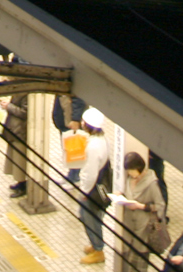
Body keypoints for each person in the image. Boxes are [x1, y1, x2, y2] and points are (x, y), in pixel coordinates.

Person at [111, 152, 165, 272]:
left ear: (138, 168)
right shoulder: (130, 179)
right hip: (129, 226)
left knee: (138, 265)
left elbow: (160, 206)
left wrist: (141, 206)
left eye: (131, 170)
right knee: (126, 262)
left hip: (143, 229)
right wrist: (121, 195)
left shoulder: (152, 184)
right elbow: (130, 193)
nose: (129, 173)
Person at [75, 109, 111, 265]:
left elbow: (90, 174)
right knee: (91, 216)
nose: (82, 124)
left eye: (84, 122)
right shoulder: (101, 139)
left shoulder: (93, 147)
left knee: (88, 216)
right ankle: (95, 244)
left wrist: (84, 192)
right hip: (101, 185)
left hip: (93, 190)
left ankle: (98, 250)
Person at [1, 95, 30, 197]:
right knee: (15, 158)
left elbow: (24, 112)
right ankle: (20, 183)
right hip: (14, 129)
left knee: (19, 160)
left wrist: (9, 106)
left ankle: (23, 185)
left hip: (20, 130)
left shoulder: (27, 93)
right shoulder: (21, 88)